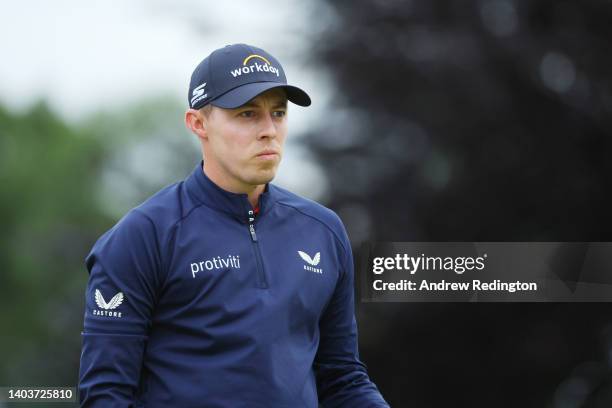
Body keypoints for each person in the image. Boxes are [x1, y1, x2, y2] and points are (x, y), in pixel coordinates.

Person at [78, 43, 390, 407]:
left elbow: (342, 379)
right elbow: (105, 395)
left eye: (278, 112)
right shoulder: (143, 236)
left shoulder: (323, 230)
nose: (269, 130)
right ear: (198, 124)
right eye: (247, 114)